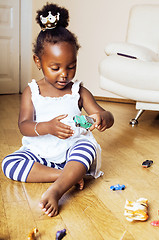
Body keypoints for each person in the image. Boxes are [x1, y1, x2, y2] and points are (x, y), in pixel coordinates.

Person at [2, 3, 114, 217]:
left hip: (72, 151)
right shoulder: (32, 91)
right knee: (9, 164)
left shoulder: (78, 91)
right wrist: (47, 127)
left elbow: (106, 115)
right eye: (56, 68)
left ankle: (57, 189)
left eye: (71, 66)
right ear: (38, 61)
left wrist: (102, 118)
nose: (64, 74)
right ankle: (63, 175)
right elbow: (24, 126)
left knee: (87, 148)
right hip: (40, 153)